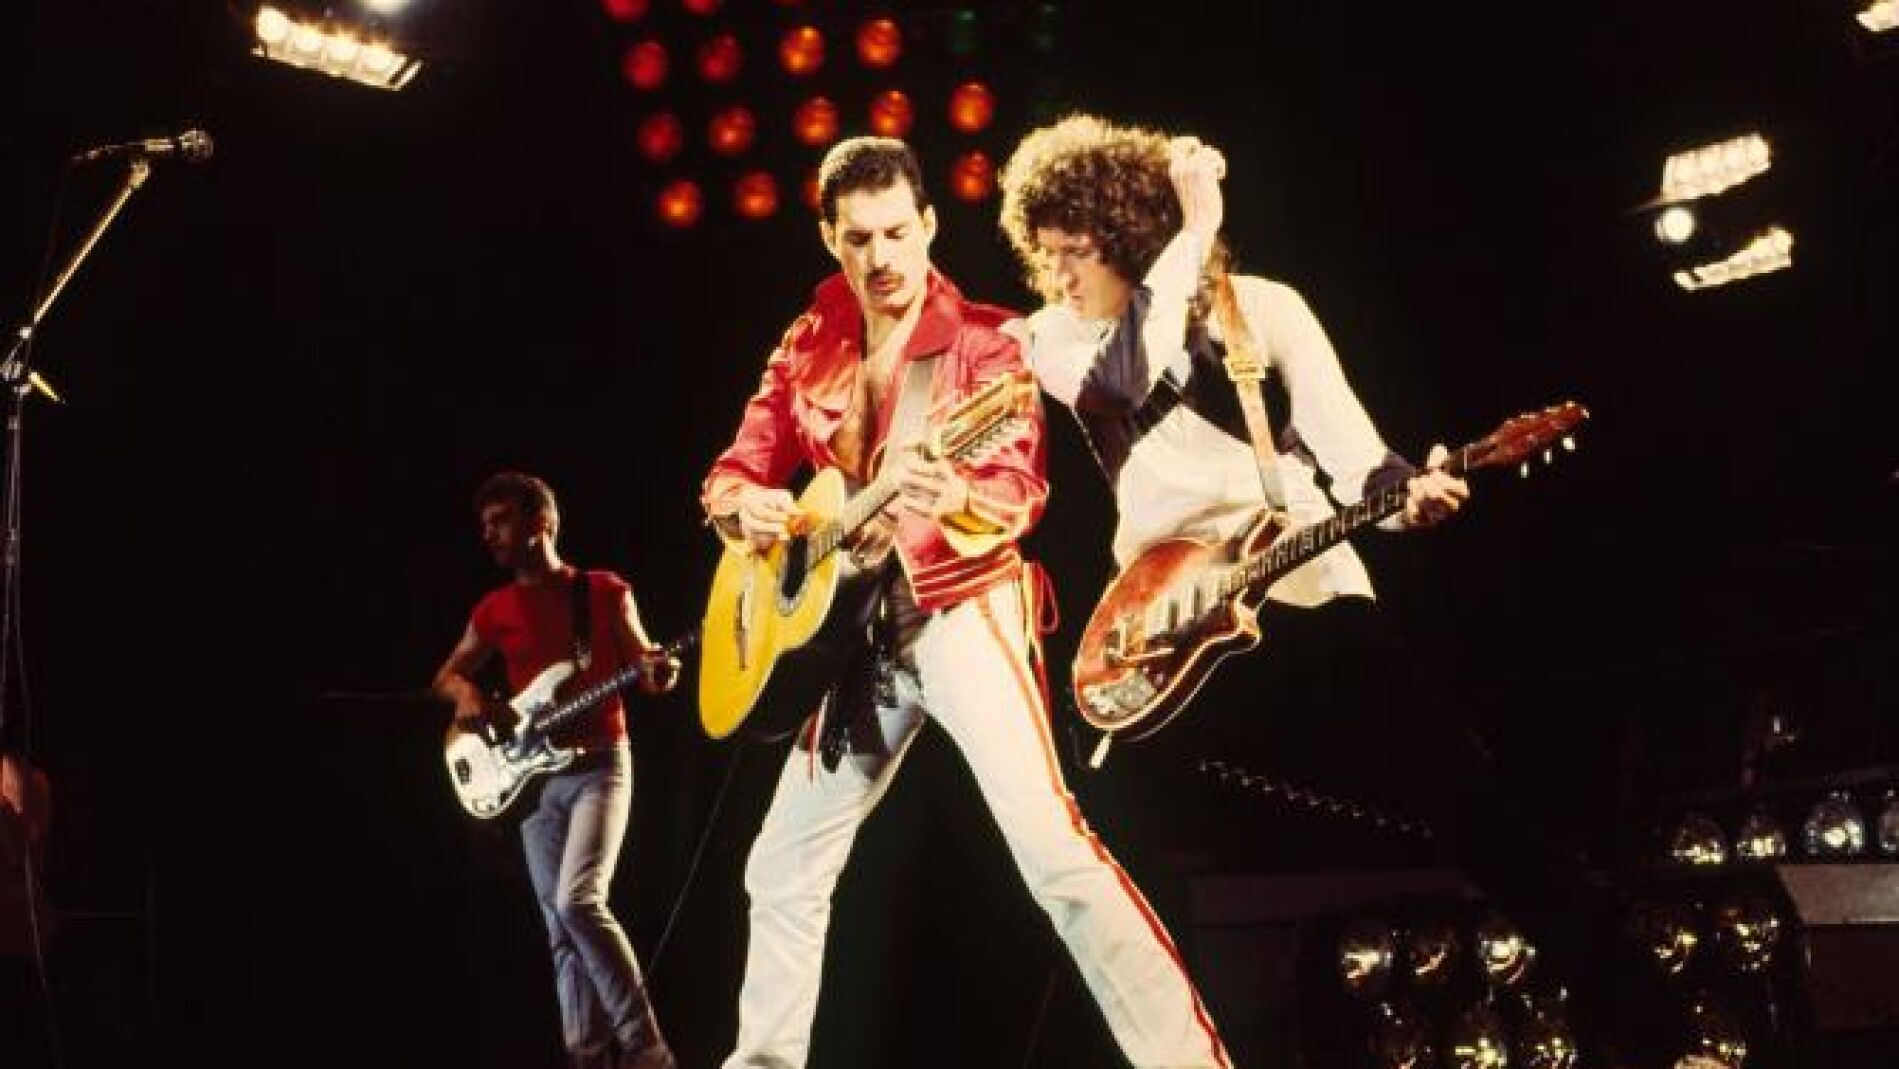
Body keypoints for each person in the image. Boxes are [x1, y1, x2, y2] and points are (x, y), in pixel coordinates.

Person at [998, 114, 1721, 1069]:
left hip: (1304, 588)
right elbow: (1126, 378)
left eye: (1076, 251)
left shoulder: (1265, 310)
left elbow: (1358, 463)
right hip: (1159, 631)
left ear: (1127, 234)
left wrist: (1412, 495)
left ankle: (1660, 1037)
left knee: (1476, 805)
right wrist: (1193, 228)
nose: (1056, 274)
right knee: (1093, 847)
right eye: (1046, 254)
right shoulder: (1054, 337)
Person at [701, 135, 1231, 1069]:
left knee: (1053, 854)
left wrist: (954, 496)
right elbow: (735, 468)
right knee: (778, 866)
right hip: (854, 639)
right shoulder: (808, 342)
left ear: (928, 224)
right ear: (829, 238)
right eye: (858, 238)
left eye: (896, 233)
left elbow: (1019, 492)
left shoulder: (989, 343)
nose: (881, 257)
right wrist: (743, 505)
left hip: (960, 608)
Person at [433, 471, 680, 1069]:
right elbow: (447, 674)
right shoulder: (494, 610)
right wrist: (467, 695)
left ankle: (646, 1051)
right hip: (534, 780)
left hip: (601, 766)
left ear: (540, 523)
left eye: (500, 521)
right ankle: (585, 1054)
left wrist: (659, 673)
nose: (488, 534)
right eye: (485, 524)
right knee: (559, 928)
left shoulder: (604, 591)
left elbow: (647, 666)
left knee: (577, 901)